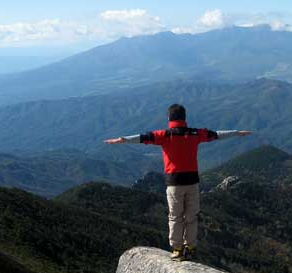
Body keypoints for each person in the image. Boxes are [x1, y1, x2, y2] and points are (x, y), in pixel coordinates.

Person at [104, 104, 252, 261]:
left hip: (174, 184)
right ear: (184, 118)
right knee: (191, 216)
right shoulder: (195, 133)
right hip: (192, 182)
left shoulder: (165, 135)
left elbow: (143, 138)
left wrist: (123, 140)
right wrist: (236, 133)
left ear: (169, 118)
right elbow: (216, 135)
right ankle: (191, 247)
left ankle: (177, 248)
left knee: (175, 217)